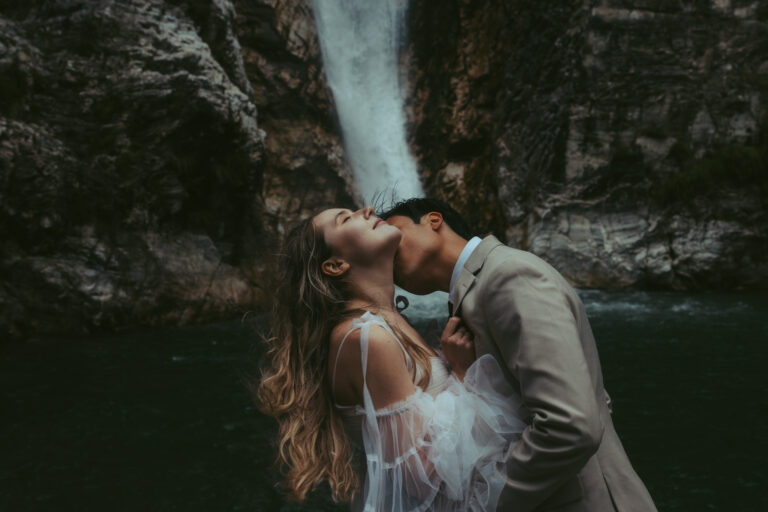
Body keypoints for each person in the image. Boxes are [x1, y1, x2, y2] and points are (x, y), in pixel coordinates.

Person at [380, 198, 658, 512]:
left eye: (393, 232)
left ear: (433, 220)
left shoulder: (510, 275)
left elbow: (570, 425)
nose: (385, 249)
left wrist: (490, 499)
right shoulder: (482, 286)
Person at [255, 206, 527, 511]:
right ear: (335, 265)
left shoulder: (386, 323)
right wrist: (462, 375)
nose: (366, 209)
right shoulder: (367, 337)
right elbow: (418, 475)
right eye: (345, 218)